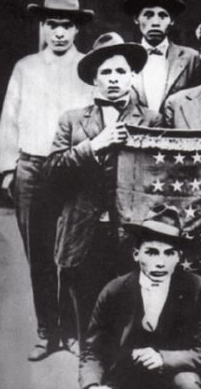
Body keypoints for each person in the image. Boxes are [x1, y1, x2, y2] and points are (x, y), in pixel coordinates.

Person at [43, 32, 161, 350]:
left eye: (120, 71)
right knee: (90, 328)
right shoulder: (72, 121)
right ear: (94, 78)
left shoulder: (152, 120)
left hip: (131, 236)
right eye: (106, 72)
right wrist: (93, 146)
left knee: (131, 323)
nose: (113, 79)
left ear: (133, 75)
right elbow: (50, 172)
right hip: (85, 236)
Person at [0, 0, 94, 360]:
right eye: (52, 25)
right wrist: (9, 168)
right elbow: (9, 118)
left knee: (69, 252)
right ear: (43, 26)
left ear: (76, 29)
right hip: (32, 167)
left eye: (65, 25)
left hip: (71, 168)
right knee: (37, 253)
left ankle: (70, 330)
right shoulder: (25, 67)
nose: (58, 33)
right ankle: (45, 331)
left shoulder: (87, 67)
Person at [80, 205, 201, 389]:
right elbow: (93, 352)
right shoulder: (116, 290)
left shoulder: (196, 287)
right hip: (126, 377)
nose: (160, 263)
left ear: (179, 257)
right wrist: (92, 385)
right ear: (136, 254)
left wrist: (162, 357)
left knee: (188, 384)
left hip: (175, 373)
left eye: (169, 253)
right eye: (151, 252)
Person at [124, 0, 201, 113]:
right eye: (148, 15)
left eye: (162, 15)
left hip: (176, 130)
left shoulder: (192, 58)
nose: (155, 22)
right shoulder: (124, 58)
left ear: (171, 20)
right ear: (136, 19)